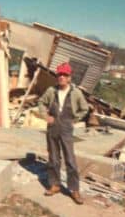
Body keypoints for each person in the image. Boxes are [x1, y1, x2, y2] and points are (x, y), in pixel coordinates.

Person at [38, 62, 89, 204]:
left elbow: (84, 109)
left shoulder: (76, 93)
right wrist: (45, 116)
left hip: (66, 127)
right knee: (53, 158)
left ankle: (74, 190)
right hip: (53, 128)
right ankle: (55, 185)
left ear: (69, 77)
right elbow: (41, 102)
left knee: (70, 160)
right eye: (59, 74)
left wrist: (74, 119)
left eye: (64, 75)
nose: (61, 77)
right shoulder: (51, 91)